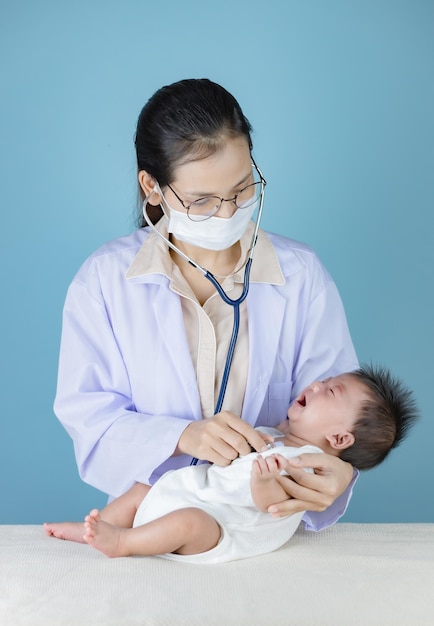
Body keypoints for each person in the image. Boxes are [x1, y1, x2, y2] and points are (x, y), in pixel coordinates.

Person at [54, 77, 360, 531]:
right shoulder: (103, 282)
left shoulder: (302, 276)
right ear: (152, 187)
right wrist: (181, 436)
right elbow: (89, 418)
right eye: (200, 201)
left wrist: (341, 472)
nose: (227, 213)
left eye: (241, 189)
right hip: (152, 528)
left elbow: (341, 410)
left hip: (264, 529)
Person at [45, 365, 418, 563]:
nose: (317, 383)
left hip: (221, 532)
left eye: (331, 390)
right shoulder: (275, 434)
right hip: (192, 496)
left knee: (189, 523)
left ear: (338, 440)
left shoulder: (306, 465)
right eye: (326, 380)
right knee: (145, 485)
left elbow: (270, 504)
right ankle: (94, 528)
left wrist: (265, 481)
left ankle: (124, 542)